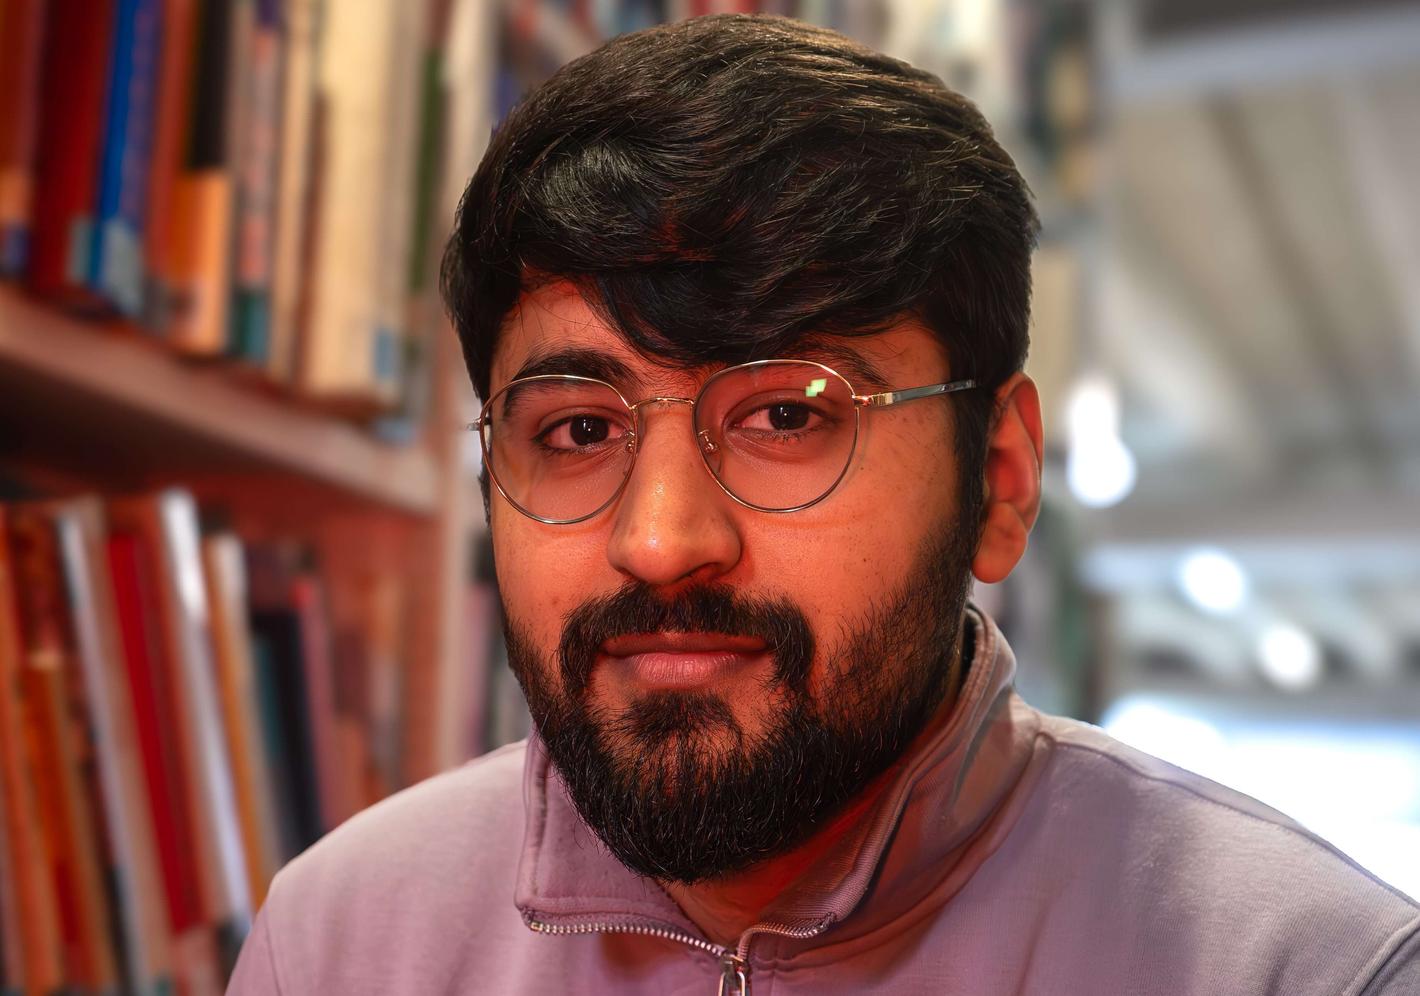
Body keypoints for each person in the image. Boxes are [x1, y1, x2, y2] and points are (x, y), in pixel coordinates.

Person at [227, 14, 1419, 995]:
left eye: (788, 416)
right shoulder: (339, 946)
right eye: (578, 431)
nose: (660, 542)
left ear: (998, 479)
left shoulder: (1303, 968)